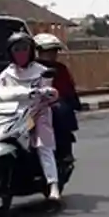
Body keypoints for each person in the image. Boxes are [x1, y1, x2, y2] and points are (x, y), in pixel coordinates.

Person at [0, 32, 61, 200]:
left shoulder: (41, 71)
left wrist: (46, 92)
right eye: (17, 49)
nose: (21, 53)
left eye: (24, 48)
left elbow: (49, 90)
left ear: (31, 50)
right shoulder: (6, 74)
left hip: (36, 113)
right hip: (12, 115)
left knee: (42, 145)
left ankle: (53, 184)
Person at [33, 34, 79, 165]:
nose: (51, 54)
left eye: (54, 51)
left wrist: (73, 101)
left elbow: (68, 88)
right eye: (47, 51)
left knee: (62, 111)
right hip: (33, 104)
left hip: (54, 103)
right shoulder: (30, 68)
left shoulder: (61, 68)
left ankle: (65, 150)